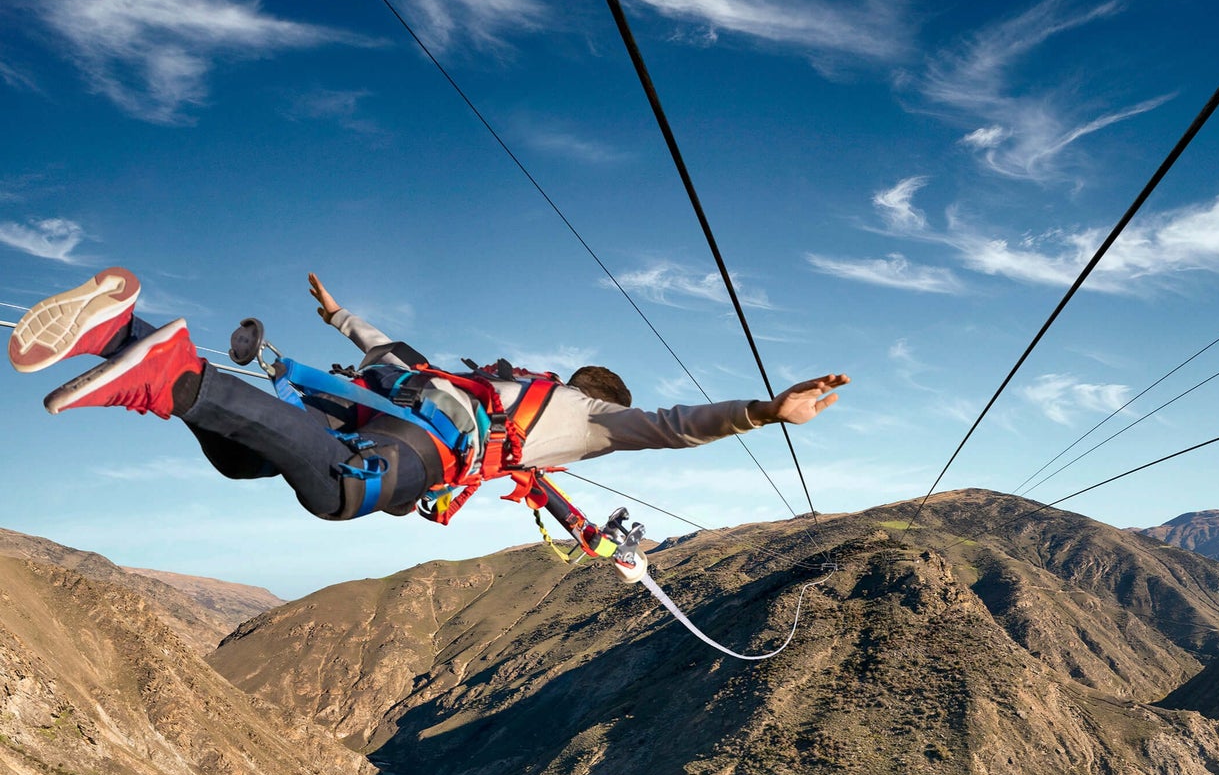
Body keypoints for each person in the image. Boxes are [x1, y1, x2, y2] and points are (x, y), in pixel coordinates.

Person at [8, 268, 849, 523]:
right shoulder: (589, 419)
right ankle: (168, 375)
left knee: (244, 461)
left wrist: (339, 313)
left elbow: (384, 348)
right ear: (599, 398)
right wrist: (766, 412)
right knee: (343, 492)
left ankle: (117, 332)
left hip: (377, 399)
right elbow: (671, 426)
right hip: (419, 441)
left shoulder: (497, 380)